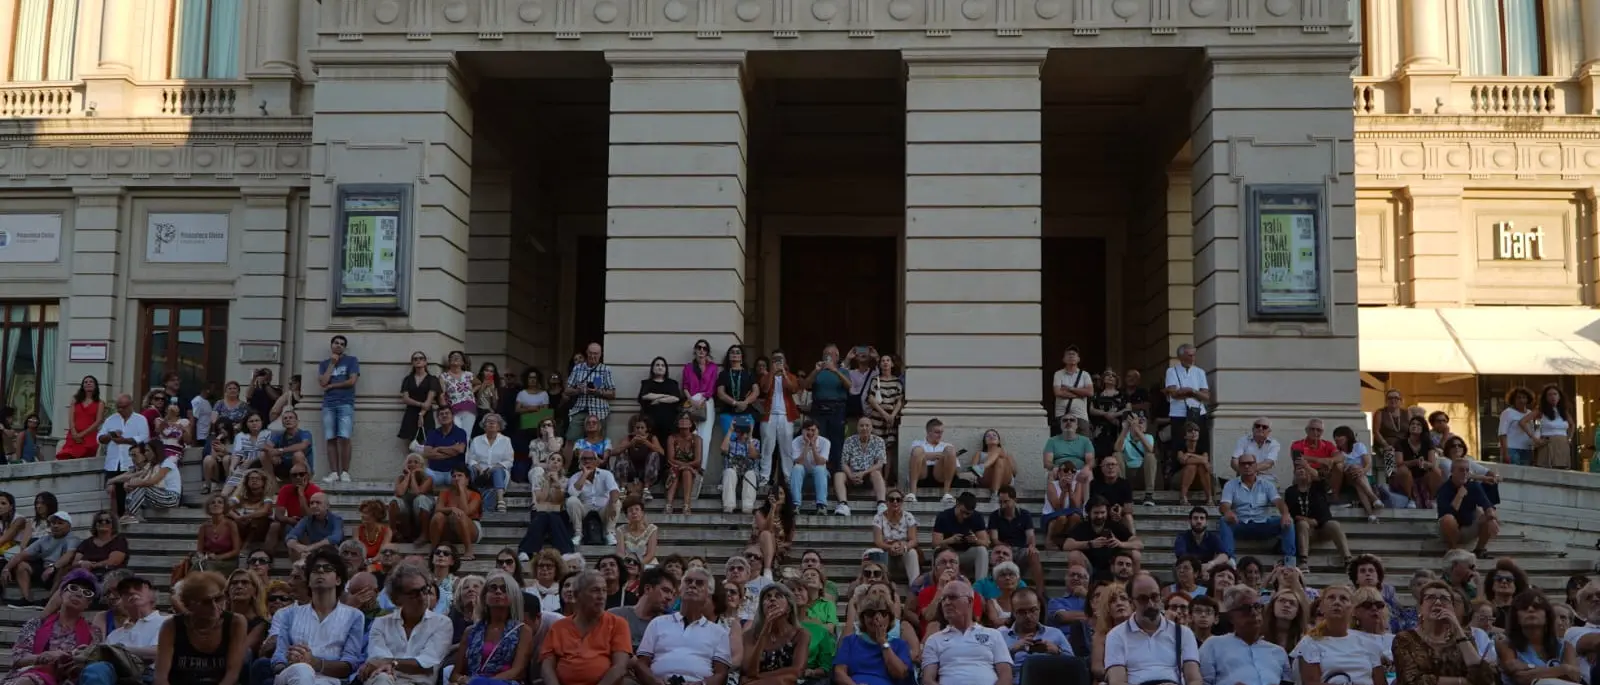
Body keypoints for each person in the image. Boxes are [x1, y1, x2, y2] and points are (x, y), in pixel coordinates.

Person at [261, 547, 365, 685]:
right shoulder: (288, 614)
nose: (320, 571)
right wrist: (287, 662)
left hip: (330, 681)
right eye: (315, 569)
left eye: (327, 568)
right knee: (302, 670)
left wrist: (315, 662)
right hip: (291, 676)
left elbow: (350, 665)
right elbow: (278, 656)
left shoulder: (354, 616)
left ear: (338, 580)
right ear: (309, 581)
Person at [3, 569, 105, 685]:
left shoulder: (93, 632)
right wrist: (43, 657)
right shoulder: (36, 624)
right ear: (61, 593)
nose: (78, 594)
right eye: (73, 588)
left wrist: (70, 658)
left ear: (88, 603)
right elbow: (18, 658)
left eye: (86, 593)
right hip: (29, 675)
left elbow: (92, 664)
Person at [632, 567, 732, 685]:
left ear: (708, 595)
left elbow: (721, 673)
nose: (692, 585)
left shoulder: (719, 632)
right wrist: (655, 682)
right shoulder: (658, 623)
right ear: (680, 589)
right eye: (688, 581)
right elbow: (641, 663)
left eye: (699, 583)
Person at [360, 563, 455, 685]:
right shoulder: (381, 623)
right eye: (414, 593)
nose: (422, 597)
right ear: (397, 598)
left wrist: (391, 663)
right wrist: (386, 663)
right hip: (385, 680)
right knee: (382, 678)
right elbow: (378, 659)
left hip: (418, 683)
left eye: (424, 590)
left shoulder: (442, 623)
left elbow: (427, 664)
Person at [150, 572, 249, 685]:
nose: (214, 606)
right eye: (206, 602)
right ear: (189, 604)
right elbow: (161, 676)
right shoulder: (171, 626)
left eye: (218, 599)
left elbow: (232, 674)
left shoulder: (236, 622)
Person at [1104, 572, 1202, 685]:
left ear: (1161, 597)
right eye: (1143, 599)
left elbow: (1194, 680)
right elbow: (1117, 682)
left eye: (1154, 597)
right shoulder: (1116, 635)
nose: (1150, 604)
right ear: (1131, 602)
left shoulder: (1183, 633)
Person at [1392, 580, 1497, 685]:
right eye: (1430, 597)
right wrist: (1462, 682)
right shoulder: (1405, 638)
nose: (1438, 602)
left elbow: (1484, 679)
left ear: (1452, 608)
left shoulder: (1464, 637)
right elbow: (1410, 681)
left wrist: (1458, 630)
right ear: (1421, 608)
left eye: (1444, 599)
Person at [539, 570, 631, 685]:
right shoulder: (558, 627)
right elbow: (547, 667)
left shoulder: (617, 624)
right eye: (595, 590)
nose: (601, 596)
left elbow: (619, 667)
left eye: (604, 590)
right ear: (577, 595)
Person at [1289, 585, 1384, 685]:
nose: (1337, 602)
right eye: (1331, 598)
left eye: (1343, 599)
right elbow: (1312, 682)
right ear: (1321, 607)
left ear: (1352, 609)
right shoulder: (1309, 642)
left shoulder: (1368, 643)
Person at [922, 580, 1012, 685]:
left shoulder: (993, 635)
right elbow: (928, 680)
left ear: (969, 601)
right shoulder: (934, 640)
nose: (946, 602)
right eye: (943, 599)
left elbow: (1006, 676)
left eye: (952, 597)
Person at [455, 571, 536, 685]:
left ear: (513, 596)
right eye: (493, 588)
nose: (498, 591)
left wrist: (482, 682)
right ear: (484, 596)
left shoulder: (523, 631)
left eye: (504, 589)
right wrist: (463, 680)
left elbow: (517, 672)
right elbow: (455, 674)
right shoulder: (470, 631)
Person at [1217, 452, 1296, 568]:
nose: (1247, 466)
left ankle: (1290, 562)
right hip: (1241, 523)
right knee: (1224, 520)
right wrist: (1228, 512)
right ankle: (1230, 560)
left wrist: (1285, 513)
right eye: (1243, 464)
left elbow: (1278, 501)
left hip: (1263, 524)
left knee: (1288, 520)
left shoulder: (1267, 485)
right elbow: (1224, 504)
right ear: (1239, 467)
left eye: (1250, 463)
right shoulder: (1230, 485)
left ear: (1256, 465)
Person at [1197, 585, 1288, 685]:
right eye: (1246, 608)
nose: (1254, 613)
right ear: (1230, 616)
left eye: (1257, 606)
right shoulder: (1213, 645)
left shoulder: (1278, 652)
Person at [1496, 589, 1584, 685]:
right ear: (1516, 617)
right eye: (1524, 608)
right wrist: (1563, 669)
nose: (1530, 609)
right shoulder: (1506, 644)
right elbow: (1521, 678)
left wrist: (1529, 667)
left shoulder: (1565, 646)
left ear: (1547, 616)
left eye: (1537, 607)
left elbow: (1574, 676)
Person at [2, 510, 79, 607]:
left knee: (65, 567)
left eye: (60, 523)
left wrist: (53, 567)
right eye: (53, 523)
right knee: (22, 565)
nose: (55, 526)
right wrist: (6, 568)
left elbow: (68, 555)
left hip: (59, 572)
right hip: (44, 570)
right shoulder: (45, 539)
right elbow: (22, 554)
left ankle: (50, 600)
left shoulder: (72, 539)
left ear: (69, 526)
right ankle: (26, 599)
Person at [835, 595, 913, 685]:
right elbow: (839, 673)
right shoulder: (850, 641)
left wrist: (883, 642)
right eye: (870, 613)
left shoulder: (900, 645)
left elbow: (900, 673)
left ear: (890, 617)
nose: (876, 618)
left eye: (883, 613)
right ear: (863, 617)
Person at [1283, 465, 1351, 569]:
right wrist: (1307, 520)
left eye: (1304, 469)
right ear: (1294, 474)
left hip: (1322, 527)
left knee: (1334, 524)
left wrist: (1317, 521)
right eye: (1298, 469)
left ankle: (1347, 559)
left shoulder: (1318, 487)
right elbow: (1290, 513)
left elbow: (1325, 481)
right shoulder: (1290, 491)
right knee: (1302, 524)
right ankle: (1303, 561)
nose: (1301, 470)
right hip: (1304, 530)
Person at [742, 583, 811, 685]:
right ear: (762, 607)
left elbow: (797, 671)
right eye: (767, 597)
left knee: (783, 680)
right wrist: (764, 632)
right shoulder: (749, 635)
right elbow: (749, 671)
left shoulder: (800, 634)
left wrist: (759, 678)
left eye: (778, 596)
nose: (772, 599)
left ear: (789, 607)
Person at [99, 394, 152, 520]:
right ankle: (116, 520)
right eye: (118, 407)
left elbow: (144, 438)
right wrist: (110, 436)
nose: (120, 410)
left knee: (129, 491)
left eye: (123, 407)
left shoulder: (140, 419)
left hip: (131, 462)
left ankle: (129, 517)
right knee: (112, 493)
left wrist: (125, 441)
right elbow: (100, 438)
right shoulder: (111, 419)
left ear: (130, 405)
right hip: (113, 463)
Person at [1002, 587, 1072, 683]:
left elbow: (1074, 666)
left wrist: (1057, 651)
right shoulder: (1000, 636)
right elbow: (989, 667)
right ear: (1013, 612)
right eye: (1021, 612)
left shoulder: (1055, 633)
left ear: (1039, 608)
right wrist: (1012, 650)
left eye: (1033, 610)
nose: (1028, 616)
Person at [1062, 496, 1141, 579]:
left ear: (1107, 512)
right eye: (1096, 513)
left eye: (1102, 512)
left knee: (1136, 554)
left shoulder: (1115, 526)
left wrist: (1120, 543)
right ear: (1089, 512)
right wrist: (1090, 544)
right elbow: (1067, 545)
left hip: (1114, 567)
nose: (1099, 516)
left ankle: (1133, 585)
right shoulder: (1082, 527)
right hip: (1089, 567)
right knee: (1074, 555)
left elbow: (1139, 544)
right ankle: (1081, 585)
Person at [317, 335, 360, 483]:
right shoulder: (324, 364)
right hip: (328, 404)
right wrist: (332, 364)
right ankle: (334, 472)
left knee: (345, 438)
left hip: (345, 403)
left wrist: (332, 385)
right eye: (336, 343)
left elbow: (352, 381)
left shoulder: (351, 361)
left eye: (342, 344)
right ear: (331, 345)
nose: (339, 345)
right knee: (331, 438)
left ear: (345, 347)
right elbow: (323, 382)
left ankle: (345, 472)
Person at [1437, 458, 1499, 558]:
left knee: (1490, 514)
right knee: (1447, 519)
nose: (1465, 473)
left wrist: (1492, 519)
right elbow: (1446, 514)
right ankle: (1453, 550)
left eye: (1467, 470)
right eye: (1461, 470)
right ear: (1452, 471)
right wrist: (1459, 496)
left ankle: (1480, 549)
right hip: (1449, 531)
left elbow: (1488, 505)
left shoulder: (1473, 486)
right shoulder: (1444, 489)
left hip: (1469, 527)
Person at [988, 485, 1044, 592]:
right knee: (1000, 554)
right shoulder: (994, 516)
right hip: (1003, 549)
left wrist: (1031, 546)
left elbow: (1030, 536)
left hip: (1020, 549)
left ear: (1015, 500)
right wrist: (1005, 547)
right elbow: (994, 539)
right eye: (1000, 502)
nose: (1003, 505)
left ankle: (1040, 591)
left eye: (1006, 502)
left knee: (1034, 554)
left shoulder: (1025, 515)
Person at [611, 567, 676, 652]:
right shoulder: (614, 616)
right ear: (647, 589)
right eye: (665, 590)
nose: (670, 597)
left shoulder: (668, 625)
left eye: (672, 594)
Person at [563, 342, 618, 442]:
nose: (593, 356)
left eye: (596, 354)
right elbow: (567, 390)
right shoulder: (578, 368)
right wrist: (579, 390)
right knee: (571, 438)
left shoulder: (605, 369)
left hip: (599, 411)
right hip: (580, 409)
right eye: (591, 353)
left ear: (600, 354)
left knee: (598, 442)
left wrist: (597, 392)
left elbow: (612, 393)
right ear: (587, 353)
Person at [932, 492, 991, 582]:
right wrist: (950, 540)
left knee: (982, 550)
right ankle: (937, 583)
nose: (964, 516)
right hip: (948, 553)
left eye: (968, 513)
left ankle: (980, 585)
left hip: (966, 554)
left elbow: (986, 543)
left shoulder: (977, 517)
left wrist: (975, 540)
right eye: (962, 512)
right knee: (937, 550)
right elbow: (935, 543)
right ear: (957, 504)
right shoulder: (944, 516)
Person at [567, 449, 621, 547]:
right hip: (585, 510)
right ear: (580, 462)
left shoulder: (606, 474)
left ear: (596, 461)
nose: (587, 461)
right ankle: (578, 534)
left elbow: (614, 490)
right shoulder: (575, 477)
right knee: (571, 501)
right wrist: (585, 475)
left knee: (616, 502)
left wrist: (612, 504)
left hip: (603, 510)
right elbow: (572, 493)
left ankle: (609, 533)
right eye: (584, 459)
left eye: (591, 459)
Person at [1163, 343, 1211, 454]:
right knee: (1179, 447)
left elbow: (1206, 396)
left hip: (1198, 413)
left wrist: (1191, 391)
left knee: (1201, 447)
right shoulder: (1172, 371)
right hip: (1178, 415)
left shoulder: (1200, 372)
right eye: (1190, 355)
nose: (1193, 358)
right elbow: (1174, 394)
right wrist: (1196, 394)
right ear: (1181, 356)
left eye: (1194, 355)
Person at [838, 415, 890, 516]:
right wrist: (851, 475)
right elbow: (844, 463)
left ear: (871, 428)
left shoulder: (879, 441)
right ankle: (843, 504)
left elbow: (880, 463)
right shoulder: (849, 441)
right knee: (839, 475)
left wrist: (863, 473)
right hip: (852, 475)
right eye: (861, 425)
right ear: (857, 427)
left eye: (867, 425)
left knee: (876, 473)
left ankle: (881, 504)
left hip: (869, 475)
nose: (864, 428)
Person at [467, 413, 515, 513]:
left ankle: (500, 500)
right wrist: (479, 468)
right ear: (484, 425)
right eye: (489, 421)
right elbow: (470, 459)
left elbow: (509, 461)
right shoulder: (476, 440)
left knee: (497, 470)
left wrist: (494, 467)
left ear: (499, 426)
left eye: (494, 422)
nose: (491, 423)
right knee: (469, 469)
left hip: (498, 472)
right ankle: (468, 495)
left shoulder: (506, 440)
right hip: (480, 472)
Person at [418, 407, 470, 487]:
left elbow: (460, 449)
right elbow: (427, 453)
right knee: (418, 471)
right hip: (434, 472)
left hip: (454, 473)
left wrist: (438, 449)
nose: (444, 415)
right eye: (441, 414)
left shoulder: (460, 432)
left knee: (462, 476)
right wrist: (452, 451)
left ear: (452, 416)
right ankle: (420, 495)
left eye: (447, 413)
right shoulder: (432, 433)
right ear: (438, 418)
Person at [789, 419, 832, 515]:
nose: (810, 433)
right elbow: (799, 462)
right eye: (807, 430)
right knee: (797, 468)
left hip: (820, 477)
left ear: (818, 431)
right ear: (803, 431)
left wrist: (813, 446)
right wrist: (807, 444)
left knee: (820, 468)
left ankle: (821, 505)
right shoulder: (796, 441)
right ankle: (795, 504)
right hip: (803, 479)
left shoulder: (825, 442)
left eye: (813, 430)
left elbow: (820, 462)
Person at [285, 492, 344, 561]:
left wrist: (311, 547)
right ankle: (300, 566)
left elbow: (336, 537)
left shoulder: (336, 519)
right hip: (313, 552)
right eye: (311, 503)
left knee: (329, 547)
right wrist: (298, 546)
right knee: (292, 547)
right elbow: (291, 535)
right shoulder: (307, 519)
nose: (314, 506)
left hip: (333, 552)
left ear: (327, 506)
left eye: (318, 503)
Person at [1173, 507, 1229, 574]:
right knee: (1178, 567)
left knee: (1226, 564)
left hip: (1208, 570)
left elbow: (1224, 555)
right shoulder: (1182, 537)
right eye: (1195, 518)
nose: (1199, 521)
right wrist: (1199, 569)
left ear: (1206, 522)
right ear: (1190, 521)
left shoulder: (1213, 537)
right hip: (1189, 570)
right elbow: (1182, 556)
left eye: (1202, 518)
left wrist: (1211, 564)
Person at [1230, 418, 1281, 485]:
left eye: (1264, 427)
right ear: (1253, 429)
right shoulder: (1243, 441)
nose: (1260, 428)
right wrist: (1245, 472)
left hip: (1267, 478)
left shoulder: (1274, 444)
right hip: (1245, 478)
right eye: (1257, 426)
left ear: (1269, 431)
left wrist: (1248, 469)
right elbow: (1234, 461)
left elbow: (1268, 463)